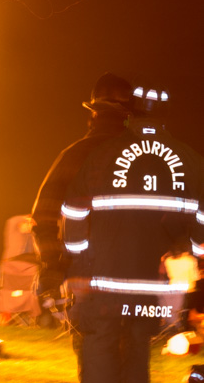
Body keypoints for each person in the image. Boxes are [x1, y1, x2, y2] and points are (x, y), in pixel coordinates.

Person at [60, 85, 204, 383]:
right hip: (153, 281)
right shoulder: (190, 160)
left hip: (106, 277)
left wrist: (79, 258)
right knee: (139, 343)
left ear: (129, 114)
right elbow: (201, 218)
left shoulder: (103, 153)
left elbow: (73, 209)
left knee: (101, 339)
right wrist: (195, 257)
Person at [32, 72, 135, 298]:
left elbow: (44, 215)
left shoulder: (75, 155)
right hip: (138, 275)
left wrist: (52, 263)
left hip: (84, 276)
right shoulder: (150, 159)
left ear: (94, 114)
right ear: (130, 116)